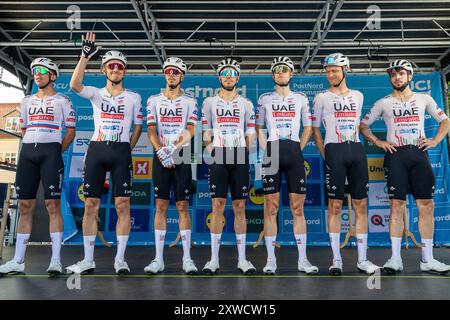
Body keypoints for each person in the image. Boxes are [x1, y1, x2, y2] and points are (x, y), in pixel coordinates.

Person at [360, 59, 450, 274]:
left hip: (419, 154)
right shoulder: (384, 102)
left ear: (410, 76)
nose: (397, 77)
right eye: (393, 74)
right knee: (396, 207)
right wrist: (379, 142)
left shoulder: (423, 98)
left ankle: (427, 259)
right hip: (396, 155)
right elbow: (363, 126)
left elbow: (445, 121)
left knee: (426, 205)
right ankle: (395, 259)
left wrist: (435, 141)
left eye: (401, 73)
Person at [66, 32, 143, 275]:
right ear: (104, 70)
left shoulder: (134, 97)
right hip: (97, 149)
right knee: (91, 204)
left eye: (120, 67)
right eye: (111, 66)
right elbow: (74, 85)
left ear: (124, 72)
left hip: (120, 150)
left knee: (123, 205)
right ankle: (88, 260)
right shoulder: (96, 93)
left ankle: (120, 260)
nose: (116, 69)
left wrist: (127, 147)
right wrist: (84, 57)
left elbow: (139, 126)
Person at [0, 57, 75, 275]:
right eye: (34, 71)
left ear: (53, 75)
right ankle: (18, 260)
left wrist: (53, 151)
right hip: (28, 154)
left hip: (51, 152)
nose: (37, 74)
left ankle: (56, 260)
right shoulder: (26, 101)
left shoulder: (63, 101)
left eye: (42, 70)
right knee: (25, 207)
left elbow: (70, 132)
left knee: (52, 205)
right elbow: (23, 130)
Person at [312, 53, 380, 276]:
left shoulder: (358, 96)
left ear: (345, 70)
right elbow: (315, 131)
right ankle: (336, 259)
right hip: (334, 150)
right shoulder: (321, 97)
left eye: (335, 70)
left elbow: (359, 125)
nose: (330, 74)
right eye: (328, 71)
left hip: (356, 151)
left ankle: (362, 259)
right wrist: (325, 154)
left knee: (360, 205)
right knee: (334, 206)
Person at [256, 56, 318, 275]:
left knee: (297, 208)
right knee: (270, 208)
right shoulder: (264, 98)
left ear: (291, 74)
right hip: (272, 151)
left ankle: (303, 260)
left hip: (293, 151)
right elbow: (258, 127)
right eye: (277, 70)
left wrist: (297, 149)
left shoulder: (301, 98)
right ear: (273, 75)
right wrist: (266, 150)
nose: (281, 73)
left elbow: (309, 127)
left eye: (285, 70)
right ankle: (271, 260)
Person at [201, 58, 256, 274]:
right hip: (218, 155)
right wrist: (211, 149)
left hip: (240, 156)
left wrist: (244, 151)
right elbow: (206, 129)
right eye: (225, 73)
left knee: (240, 207)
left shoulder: (247, 104)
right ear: (219, 77)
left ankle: (242, 260)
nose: (228, 76)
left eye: (232, 73)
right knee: (217, 207)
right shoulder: (209, 102)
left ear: (238, 78)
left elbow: (251, 131)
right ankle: (213, 260)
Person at [144, 57, 199, 275]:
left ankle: (187, 258)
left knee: (183, 207)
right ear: (165, 74)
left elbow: (191, 129)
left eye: (176, 71)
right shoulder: (153, 100)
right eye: (168, 71)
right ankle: (158, 259)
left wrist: (173, 148)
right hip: (160, 155)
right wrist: (160, 150)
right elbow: (150, 130)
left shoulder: (190, 102)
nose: (172, 74)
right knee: (160, 206)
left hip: (181, 154)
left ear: (182, 76)